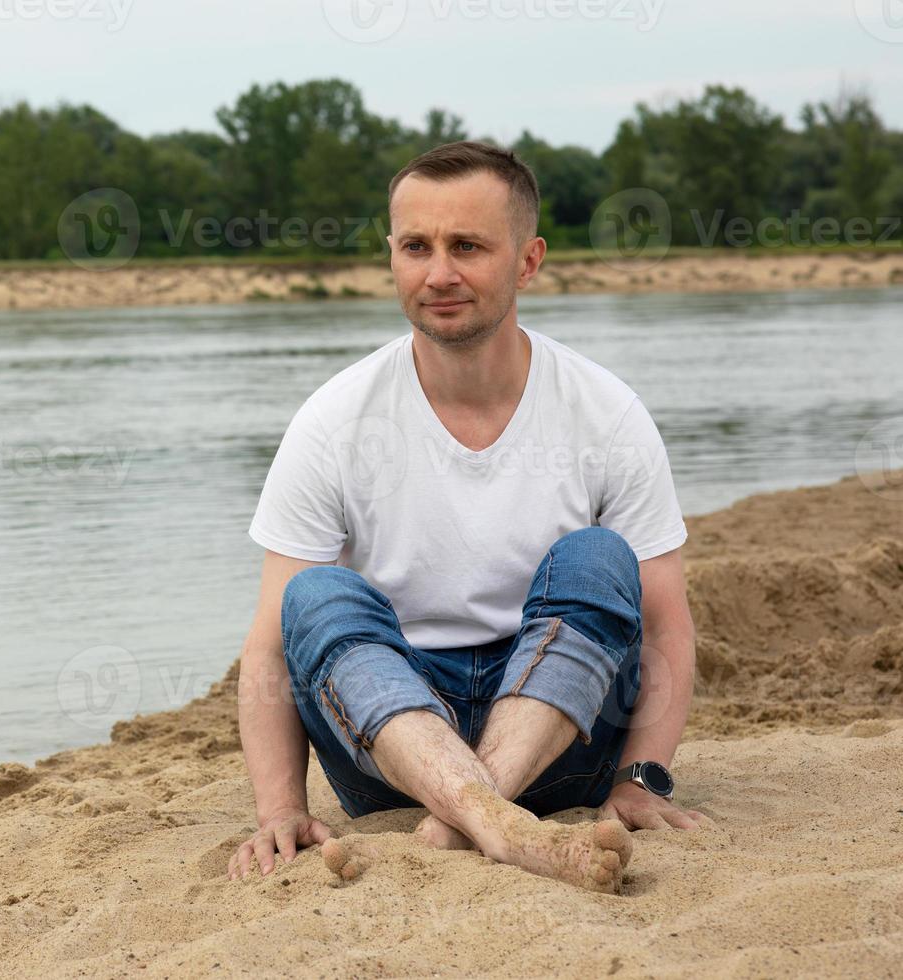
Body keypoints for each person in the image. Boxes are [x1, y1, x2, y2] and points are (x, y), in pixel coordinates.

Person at [226, 141, 706, 893]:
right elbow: (270, 650)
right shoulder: (334, 420)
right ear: (392, 256)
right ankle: (494, 821)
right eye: (416, 246)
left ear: (528, 260)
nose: (438, 273)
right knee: (312, 598)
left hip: (564, 750)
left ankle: (471, 816)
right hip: (391, 759)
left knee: (599, 558)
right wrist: (280, 808)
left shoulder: (606, 413)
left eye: (468, 247)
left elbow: (668, 625)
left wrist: (642, 779)